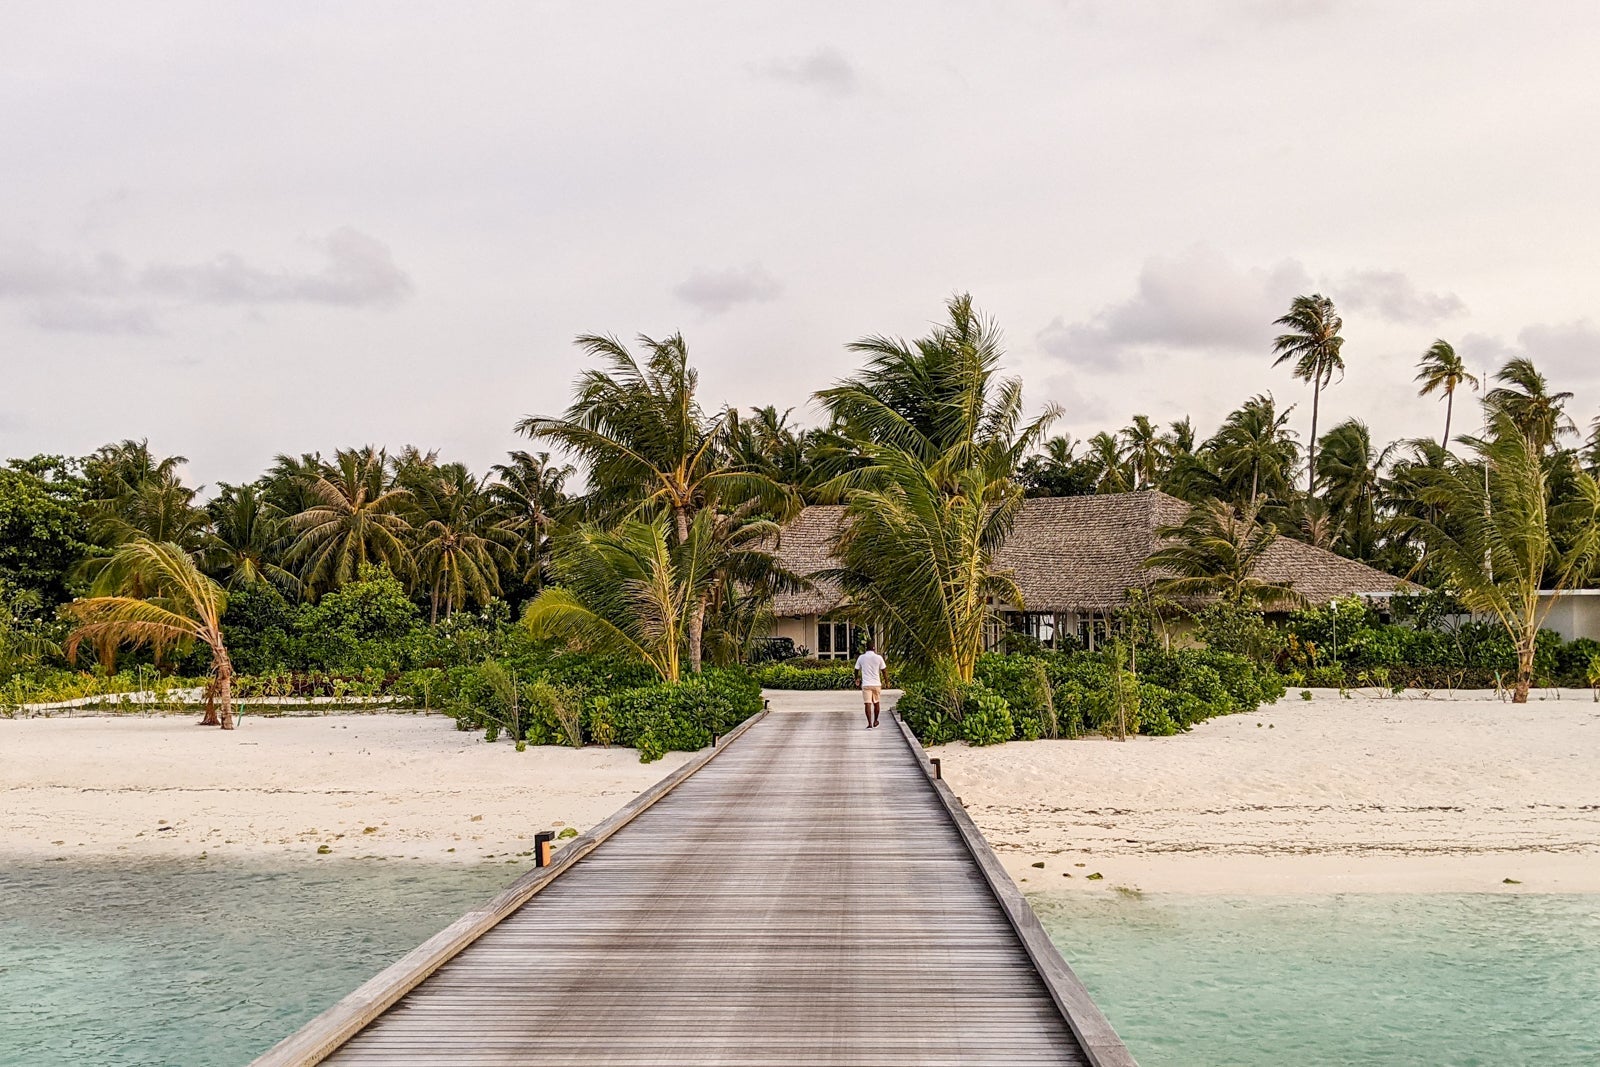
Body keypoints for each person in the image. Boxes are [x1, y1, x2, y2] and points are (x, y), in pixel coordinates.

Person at [854, 640, 888, 729]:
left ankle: (869, 723)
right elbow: (884, 671)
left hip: (866, 684)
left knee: (867, 703)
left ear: (866, 648)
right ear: (874, 648)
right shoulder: (879, 658)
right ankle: (876, 720)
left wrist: (856, 678)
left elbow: (856, 669)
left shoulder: (861, 657)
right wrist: (887, 682)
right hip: (876, 684)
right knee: (876, 702)